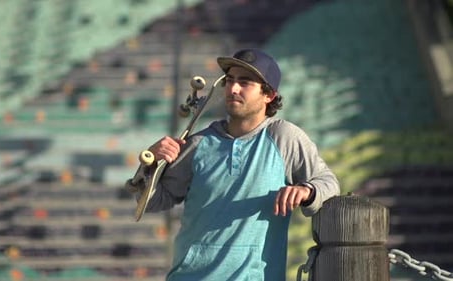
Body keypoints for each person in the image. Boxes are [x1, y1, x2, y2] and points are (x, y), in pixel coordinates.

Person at [136, 48, 340, 280]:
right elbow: (152, 201)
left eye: (245, 83)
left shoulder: (284, 137)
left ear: (269, 95)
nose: (233, 89)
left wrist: (307, 191)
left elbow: (329, 183)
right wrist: (150, 163)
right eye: (230, 80)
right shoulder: (199, 143)